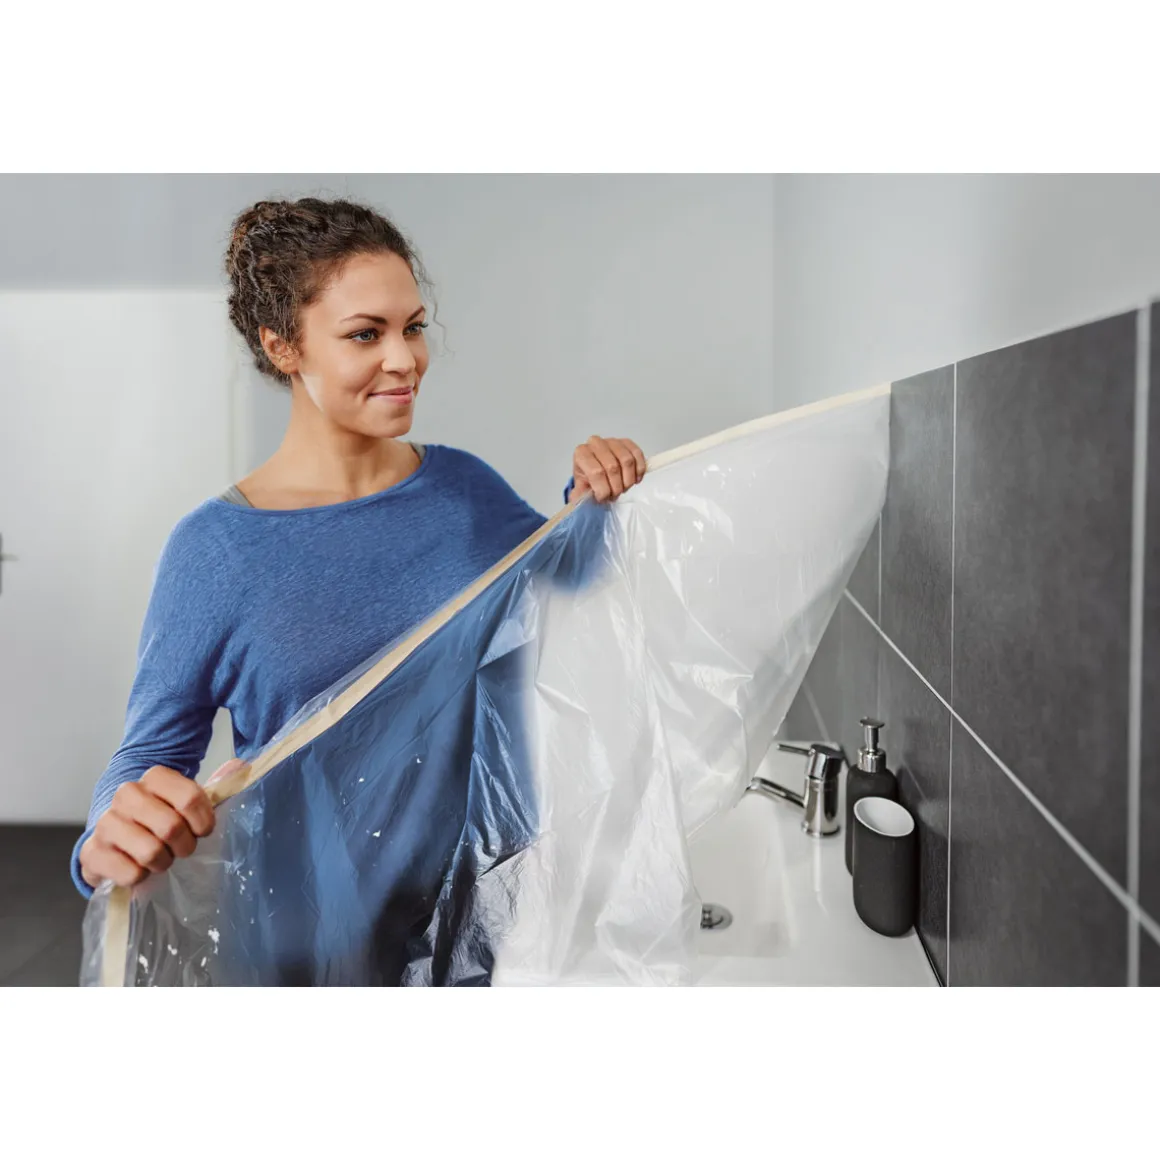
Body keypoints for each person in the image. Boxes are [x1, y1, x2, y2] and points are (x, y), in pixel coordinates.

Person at [72, 196, 647, 899]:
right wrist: (107, 841)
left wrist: (595, 492)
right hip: (308, 927)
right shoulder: (215, 551)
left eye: (413, 328)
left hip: (492, 911)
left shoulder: (465, 488)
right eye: (365, 334)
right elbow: (150, 753)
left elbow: (578, 585)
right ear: (283, 347)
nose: (405, 359)